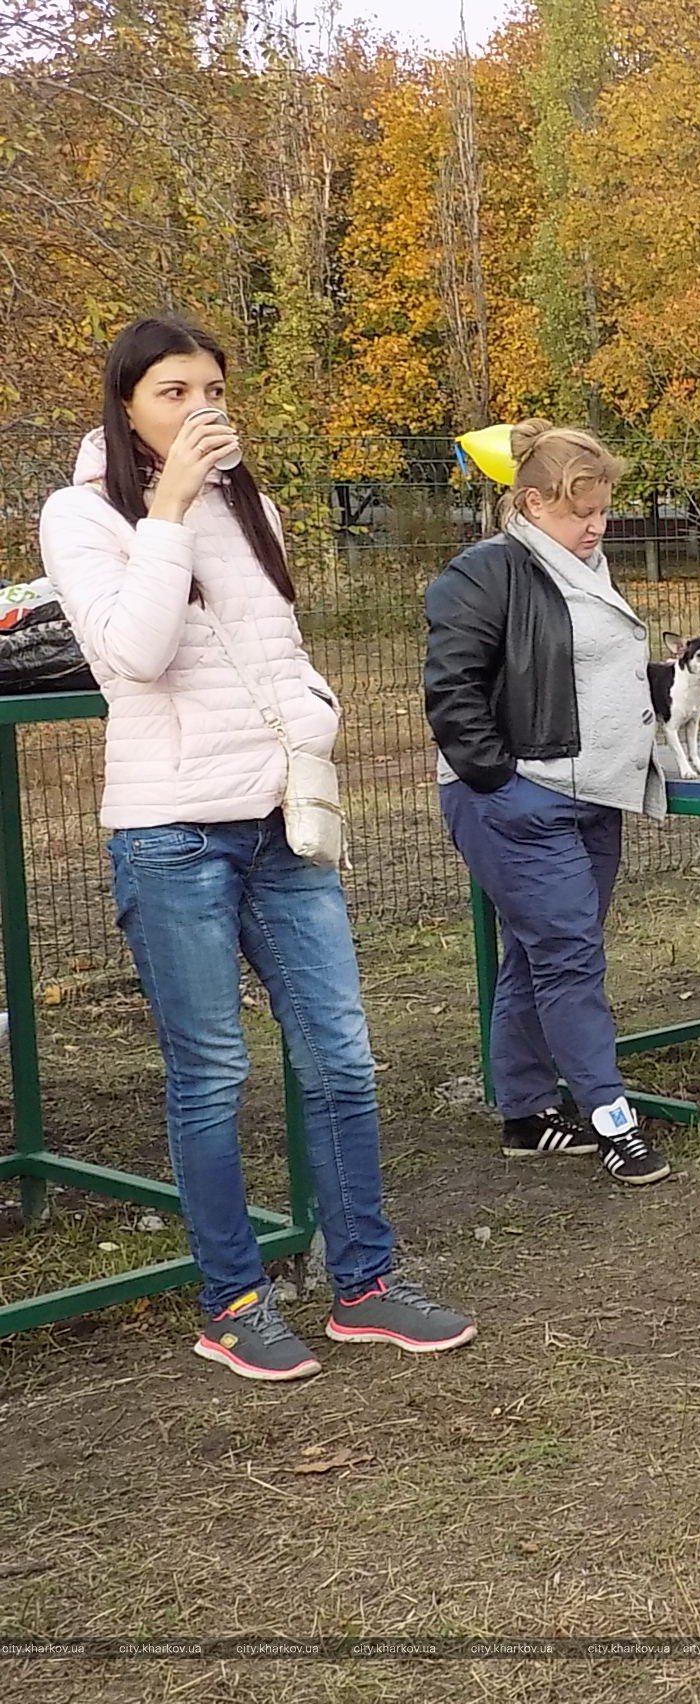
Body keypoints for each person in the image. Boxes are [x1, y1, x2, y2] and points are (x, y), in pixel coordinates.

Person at [41, 317, 475, 1381]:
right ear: (127, 405)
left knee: (341, 1054)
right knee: (212, 1073)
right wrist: (169, 513)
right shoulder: (84, 515)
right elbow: (134, 655)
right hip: (172, 829)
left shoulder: (255, 506)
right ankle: (232, 1300)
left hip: (282, 819)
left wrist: (316, 715)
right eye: (172, 392)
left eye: (213, 390)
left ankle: (364, 1284)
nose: (200, 410)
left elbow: (279, 646)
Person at [423, 419, 672, 1188]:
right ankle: (612, 1119)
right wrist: (502, 782)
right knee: (569, 957)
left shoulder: (582, 567)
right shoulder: (486, 573)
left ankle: (527, 1113)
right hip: (521, 797)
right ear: (530, 504)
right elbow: (451, 688)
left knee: (541, 955)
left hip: (592, 794)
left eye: (603, 510)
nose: (599, 526)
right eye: (582, 512)